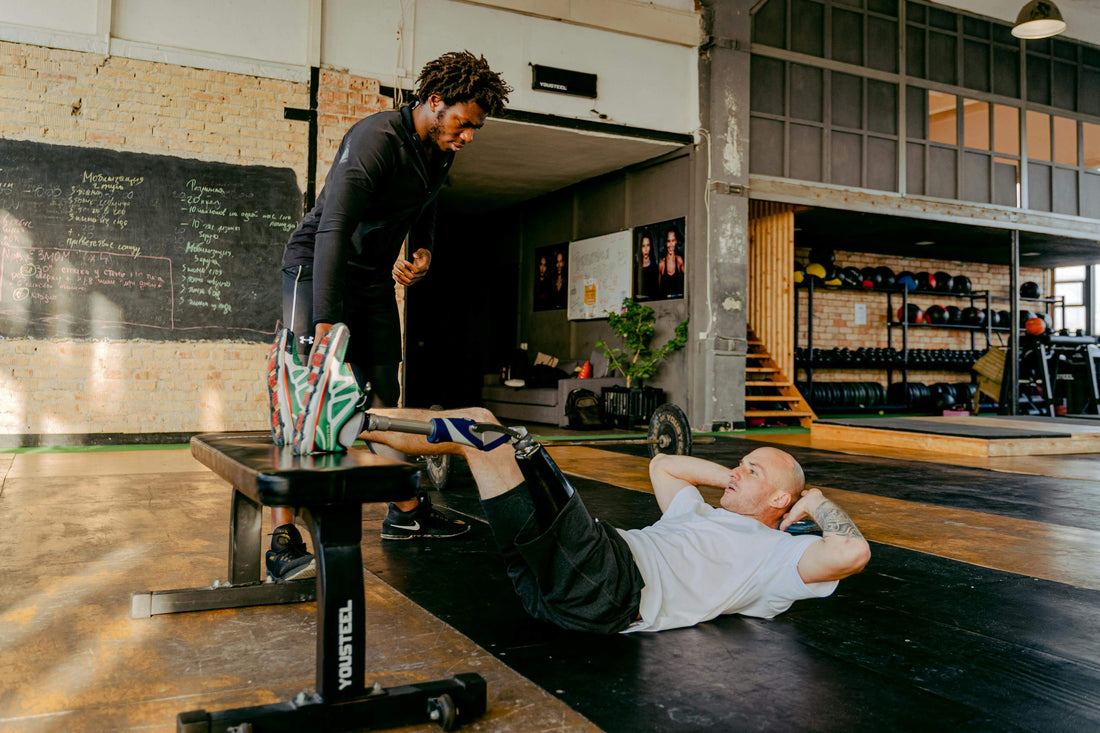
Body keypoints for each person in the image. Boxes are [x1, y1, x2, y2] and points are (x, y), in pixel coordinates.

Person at [265, 51, 512, 581]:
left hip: (371, 278)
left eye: (475, 128)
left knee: (383, 394)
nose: (468, 136)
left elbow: (425, 204)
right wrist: (327, 321)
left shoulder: (439, 151)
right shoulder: (375, 139)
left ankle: (405, 512)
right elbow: (333, 227)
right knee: (307, 396)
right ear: (434, 101)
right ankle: (281, 537)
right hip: (316, 270)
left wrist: (421, 248)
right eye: (463, 124)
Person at [352, 404, 871, 634]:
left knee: (499, 437)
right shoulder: (698, 512)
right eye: (739, 464)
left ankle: (350, 420)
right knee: (483, 432)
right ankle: (356, 421)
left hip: (610, 584)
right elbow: (663, 463)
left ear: (781, 499)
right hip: (559, 584)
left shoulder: (778, 559)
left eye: (750, 469)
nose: (735, 472)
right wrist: (736, 479)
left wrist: (815, 500)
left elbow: (852, 553)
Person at [657, 227, 685, 298]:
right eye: (669, 241)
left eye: (673, 241)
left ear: (676, 242)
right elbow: (658, 289)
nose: (671, 244)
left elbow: (687, 281)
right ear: (666, 243)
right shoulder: (662, 264)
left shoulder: (679, 260)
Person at [635, 233, 658, 299]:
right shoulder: (635, 270)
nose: (646, 249)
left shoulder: (655, 269)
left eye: (648, 245)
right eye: (643, 246)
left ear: (651, 247)